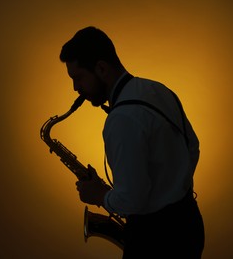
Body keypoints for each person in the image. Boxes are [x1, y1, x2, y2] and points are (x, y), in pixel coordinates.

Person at [60, 26, 204, 258]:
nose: (76, 88)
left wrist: (99, 196)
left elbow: (131, 201)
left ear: (101, 68)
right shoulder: (158, 89)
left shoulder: (121, 119)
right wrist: (172, 188)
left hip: (155, 241)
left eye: (78, 78)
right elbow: (193, 147)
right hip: (189, 225)